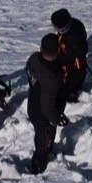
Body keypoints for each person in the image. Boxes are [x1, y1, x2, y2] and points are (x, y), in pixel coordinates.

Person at [26, 33, 68, 174]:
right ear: (57, 52)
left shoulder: (33, 59)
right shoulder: (50, 78)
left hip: (33, 103)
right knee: (44, 140)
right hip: (43, 114)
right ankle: (39, 165)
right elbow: (48, 106)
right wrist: (55, 119)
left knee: (41, 136)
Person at [50, 8, 89, 102]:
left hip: (73, 62)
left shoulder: (75, 38)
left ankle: (72, 91)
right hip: (65, 55)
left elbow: (78, 66)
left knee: (75, 74)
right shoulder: (70, 27)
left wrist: (72, 87)